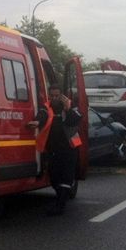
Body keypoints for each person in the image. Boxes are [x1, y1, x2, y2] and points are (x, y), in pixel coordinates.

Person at [28, 84, 83, 216]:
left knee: (66, 178)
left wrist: (68, 108)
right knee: (54, 178)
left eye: (57, 96)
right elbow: (42, 115)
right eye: (52, 96)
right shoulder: (47, 107)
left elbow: (75, 120)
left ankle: (60, 206)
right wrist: (36, 122)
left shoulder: (71, 107)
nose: (54, 98)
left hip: (70, 149)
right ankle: (62, 197)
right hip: (53, 149)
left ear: (63, 96)